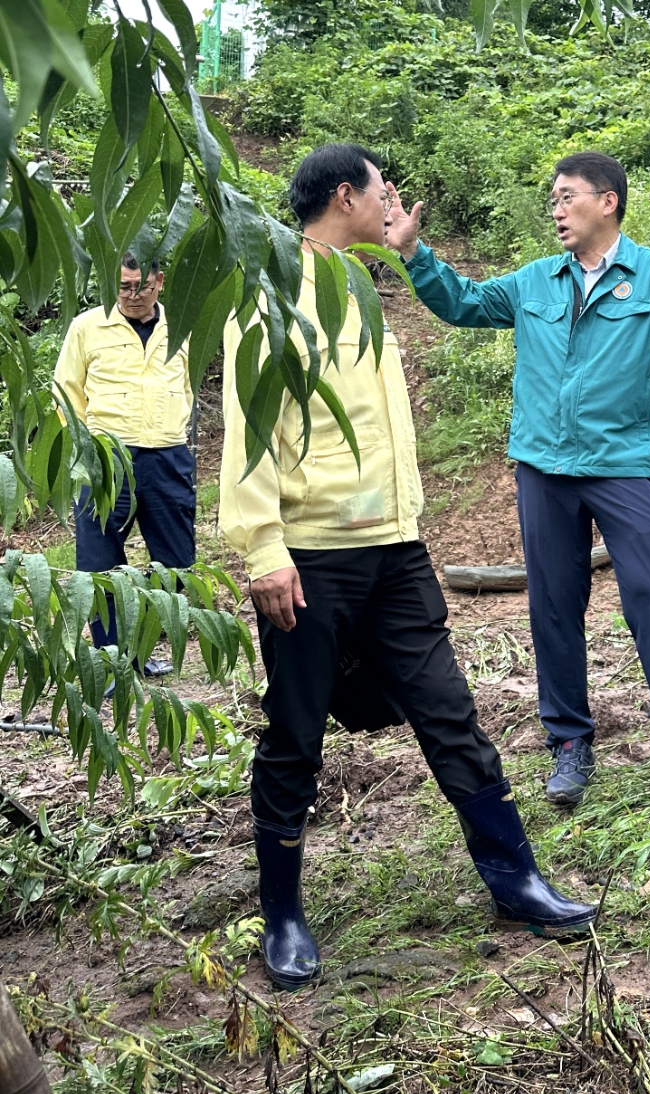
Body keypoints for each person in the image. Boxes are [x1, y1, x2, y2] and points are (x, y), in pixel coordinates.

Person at [218, 144, 595, 990]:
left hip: (394, 552)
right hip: (311, 557)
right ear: (345, 196)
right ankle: (282, 915)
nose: (390, 204)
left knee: (449, 713)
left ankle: (515, 879)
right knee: (295, 737)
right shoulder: (271, 296)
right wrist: (264, 551)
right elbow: (248, 435)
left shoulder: (362, 288)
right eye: (382, 193)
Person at [387, 152, 650, 816]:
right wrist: (416, 254)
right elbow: (462, 304)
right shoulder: (535, 282)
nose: (556, 208)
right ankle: (569, 744)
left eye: (566, 196)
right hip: (544, 469)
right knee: (552, 609)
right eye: (551, 198)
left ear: (607, 202)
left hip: (623, 465)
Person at [54, 254, 195, 676]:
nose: (133, 296)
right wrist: (87, 454)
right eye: (124, 287)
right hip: (107, 459)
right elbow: (66, 393)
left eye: (143, 286)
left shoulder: (181, 326)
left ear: (160, 282)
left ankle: (145, 649)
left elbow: (186, 386)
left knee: (174, 564)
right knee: (100, 562)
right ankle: (112, 661)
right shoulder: (87, 326)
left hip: (167, 457)